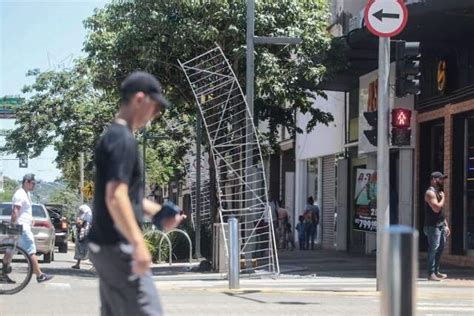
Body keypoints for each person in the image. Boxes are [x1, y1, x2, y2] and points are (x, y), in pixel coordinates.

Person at [87, 71, 186, 316]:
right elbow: (115, 196)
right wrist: (138, 242)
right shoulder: (123, 139)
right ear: (140, 99)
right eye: (156, 106)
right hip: (118, 247)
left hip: (103, 245)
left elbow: (127, 197)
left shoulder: (112, 136)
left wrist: (158, 213)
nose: (157, 114)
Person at [4, 174, 53, 283]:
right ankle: (40, 275)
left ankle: (2, 274)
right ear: (26, 182)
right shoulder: (20, 194)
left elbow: (23, 211)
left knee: (10, 250)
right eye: (33, 183)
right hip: (21, 227)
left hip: (20, 225)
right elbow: (15, 211)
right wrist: (14, 226)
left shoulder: (27, 194)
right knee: (30, 250)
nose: (34, 185)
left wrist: (30, 220)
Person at [424, 171, 451, 281]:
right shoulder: (430, 193)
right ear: (434, 180)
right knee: (433, 248)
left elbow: (441, 213)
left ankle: (436, 271)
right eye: (440, 179)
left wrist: (446, 225)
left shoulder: (438, 192)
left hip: (440, 225)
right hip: (432, 226)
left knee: (440, 248)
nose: (442, 181)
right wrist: (444, 198)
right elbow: (436, 208)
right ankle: (430, 273)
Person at [72, 204, 93, 269]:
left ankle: (78, 264)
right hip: (85, 235)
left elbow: (80, 224)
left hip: (83, 235)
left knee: (82, 248)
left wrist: (78, 223)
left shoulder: (85, 217)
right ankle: (78, 264)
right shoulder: (89, 217)